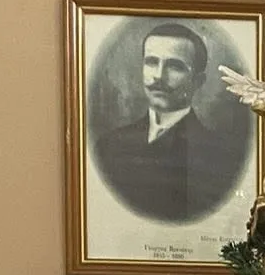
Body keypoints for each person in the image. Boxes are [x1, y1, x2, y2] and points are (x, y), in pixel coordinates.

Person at [94, 22, 242, 223]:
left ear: (197, 81)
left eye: (174, 66)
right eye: (151, 62)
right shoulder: (108, 146)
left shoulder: (221, 157)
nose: (158, 76)